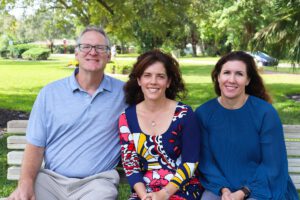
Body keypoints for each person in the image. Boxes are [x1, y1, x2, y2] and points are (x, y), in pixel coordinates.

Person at [8, 26, 127, 200]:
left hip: (96, 183)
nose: (92, 52)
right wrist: (25, 185)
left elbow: (157, 108)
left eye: (100, 48)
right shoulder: (50, 94)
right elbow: (35, 146)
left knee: (103, 194)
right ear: (76, 53)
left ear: (108, 56)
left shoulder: (125, 94)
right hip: (50, 181)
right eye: (86, 47)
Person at [195, 51, 298, 200]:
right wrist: (224, 190)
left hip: (264, 187)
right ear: (218, 77)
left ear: (248, 79)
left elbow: (272, 164)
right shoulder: (204, 113)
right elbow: (206, 161)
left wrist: (243, 192)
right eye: (226, 73)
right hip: (219, 188)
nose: (231, 79)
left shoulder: (265, 113)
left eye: (239, 74)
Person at [119, 49, 203, 200]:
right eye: (147, 75)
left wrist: (163, 194)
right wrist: (144, 195)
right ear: (139, 80)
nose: (153, 82)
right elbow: (130, 164)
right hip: (144, 191)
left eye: (160, 76)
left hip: (181, 188)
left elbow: (190, 162)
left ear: (168, 81)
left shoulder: (184, 114)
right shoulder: (127, 118)